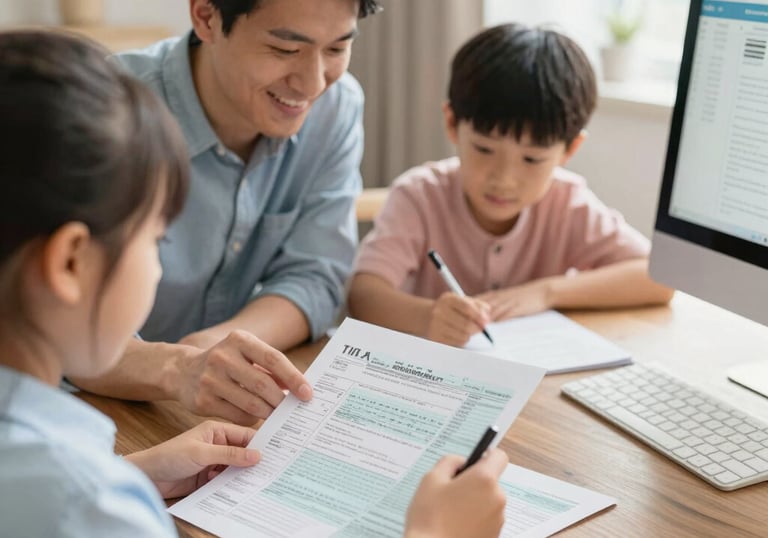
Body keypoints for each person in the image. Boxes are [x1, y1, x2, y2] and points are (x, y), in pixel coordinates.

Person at [0, 30, 508, 538]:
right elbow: (72, 504)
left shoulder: (68, 484)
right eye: (155, 238)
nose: (311, 78)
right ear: (70, 262)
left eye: (335, 47)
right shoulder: (90, 504)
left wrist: (133, 476)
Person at [71, 0, 381, 426]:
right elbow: (51, 321)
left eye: (336, 49)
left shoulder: (336, 108)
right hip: (76, 410)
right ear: (206, 17)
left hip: (200, 417)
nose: (311, 83)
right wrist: (180, 366)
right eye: (285, 50)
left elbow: (316, 276)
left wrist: (214, 347)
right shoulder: (105, 112)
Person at [348, 23, 675, 347]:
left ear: (570, 149)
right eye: (484, 149)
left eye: (532, 159)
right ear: (452, 124)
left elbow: (660, 277)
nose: (503, 179)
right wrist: (430, 316)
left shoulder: (567, 203)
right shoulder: (419, 196)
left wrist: (544, 292)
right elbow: (364, 295)